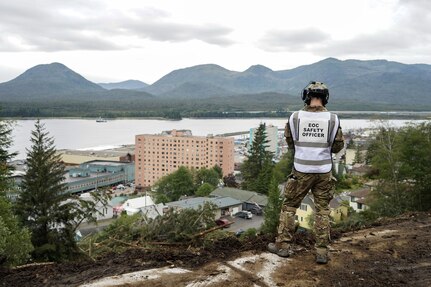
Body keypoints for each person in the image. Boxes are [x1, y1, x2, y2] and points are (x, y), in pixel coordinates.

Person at [267, 81, 344, 264]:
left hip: (301, 170)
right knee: (322, 211)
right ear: (325, 98)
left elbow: (291, 143)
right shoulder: (333, 119)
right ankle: (322, 252)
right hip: (324, 170)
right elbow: (337, 147)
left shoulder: (295, 118)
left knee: (289, 207)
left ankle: (283, 246)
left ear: (306, 96)